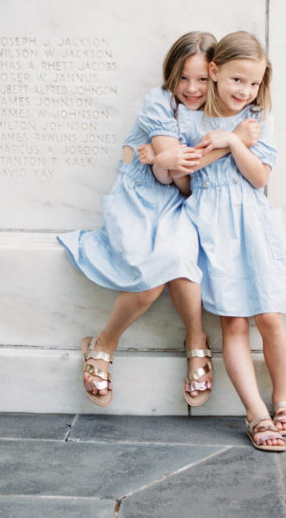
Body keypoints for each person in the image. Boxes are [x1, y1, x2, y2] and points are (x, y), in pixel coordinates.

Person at [57, 31, 216, 408]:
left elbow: (183, 181)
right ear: (170, 75)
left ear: (215, 76)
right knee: (147, 278)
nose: (191, 88)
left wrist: (166, 158)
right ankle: (103, 343)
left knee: (179, 261)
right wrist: (166, 161)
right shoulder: (157, 102)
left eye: (202, 79)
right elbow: (174, 172)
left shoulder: (217, 114)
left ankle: (196, 340)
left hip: (180, 206)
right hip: (137, 200)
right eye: (183, 77)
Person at [175, 31, 286, 452]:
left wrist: (233, 140)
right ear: (214, 72)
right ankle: (255, 413)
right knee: (233, 322)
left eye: (253, 84)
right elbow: (186, 177)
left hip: (252, 224)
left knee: (270, 317)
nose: (244, 91)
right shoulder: (190, 119)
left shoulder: (256, 120)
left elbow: (260, 177)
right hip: (213, 228)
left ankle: (283, 398)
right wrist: (223, 142)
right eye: (236, 81)